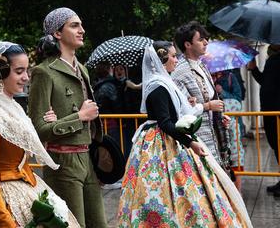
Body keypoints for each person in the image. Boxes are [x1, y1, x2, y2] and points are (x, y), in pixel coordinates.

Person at [118, 45, 252, 227]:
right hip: (161, 143)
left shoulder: (164, 82)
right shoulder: (158, 85)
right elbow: (165, 123)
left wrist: (189, 106)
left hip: (170, 138)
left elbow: (173, 114)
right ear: (161, 60)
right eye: (173, 56)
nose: (176, 60)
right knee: (165, 189)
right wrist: (191, 143)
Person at [0, 40, 80, 227]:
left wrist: (50, 122)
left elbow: (21, 150)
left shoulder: (13, 108)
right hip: (1, 196)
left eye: (26, 71)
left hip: (26, 185)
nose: (26, 77)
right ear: (0, 73)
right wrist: (6, 223)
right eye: (19, 71)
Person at [28, 7, 107, 227]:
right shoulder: (44, 72)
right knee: (73, 224)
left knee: (99, 223)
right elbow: (38, 129)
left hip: (87, 157)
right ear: (57, 33)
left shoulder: (82, 68)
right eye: (74, 25)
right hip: (62, 162)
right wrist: (80, 117)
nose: (82, 30)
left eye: (81, 25)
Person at [171, 21, 231, 169]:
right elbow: (182, 109)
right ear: (187, 45)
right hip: (198, 137)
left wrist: (219, 115)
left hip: (214, 133)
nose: (206, 42)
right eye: (200, 39)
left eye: (206, 39)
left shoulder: (201, 64)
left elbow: (211, 97)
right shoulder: (180, 71)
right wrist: (208, 106)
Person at [247, 44, 280, 196]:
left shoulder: (275, 61)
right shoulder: (272, 60)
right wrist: (254, 69)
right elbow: (266, 83)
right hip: (270, 112)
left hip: (276, 113)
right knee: (276, 145)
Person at [214, 70, 245, 191]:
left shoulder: (231, 77)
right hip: (216, 126)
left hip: (233, 126)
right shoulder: (206, 76)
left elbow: (238, 99)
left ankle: (238, 192)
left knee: (235, 155)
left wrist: (222, 92)